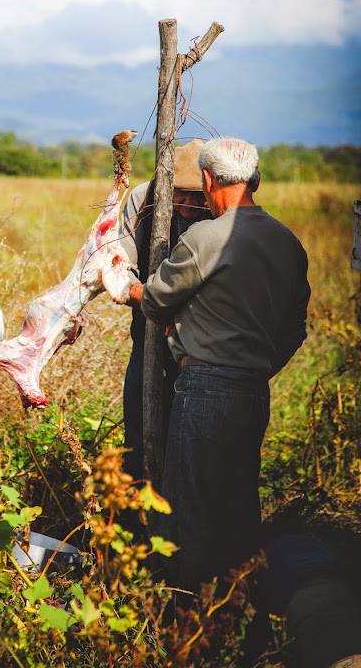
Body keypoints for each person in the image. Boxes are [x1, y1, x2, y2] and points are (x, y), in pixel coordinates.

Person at [109, 137, 310, 591]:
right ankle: (238, 602)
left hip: (202, 389)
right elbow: (295, 327)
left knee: (190, 506)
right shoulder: (287, 242)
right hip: (254, 389)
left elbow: (157, 303)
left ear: (208, 180)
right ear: (252, 179)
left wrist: (133, 289)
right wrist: (253, 365)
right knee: (237, 501)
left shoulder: (205, 237)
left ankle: (188, 615)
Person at [118, 139, 211, 481]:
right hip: (146, 340)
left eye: (197, 193)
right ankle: (136, 524)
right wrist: (150, 299)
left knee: (191, 453)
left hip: (200, 353)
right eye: (179, 192)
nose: (188, 202)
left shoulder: (222, 213)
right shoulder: (143, 199)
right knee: (138, 443)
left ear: (212, 187)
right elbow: (120, 269)